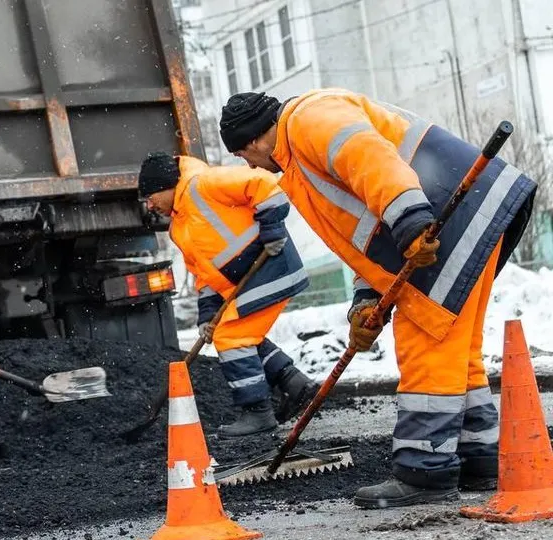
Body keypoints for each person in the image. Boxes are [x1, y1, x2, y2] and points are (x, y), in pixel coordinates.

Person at [218, 88, 536, 508]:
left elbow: (371, 158)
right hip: (463, 217)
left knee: (426, 341)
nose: (250, 166)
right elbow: (364, 235)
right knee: (455, 350)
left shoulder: (307, 120)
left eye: (243, 155)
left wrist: (411, 220)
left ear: (255, 139)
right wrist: (365, 301)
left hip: (444, 220)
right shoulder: (299, 154)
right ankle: (480, 455)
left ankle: (425, 471)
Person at [138, 151, 319, 437]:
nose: (149, 205)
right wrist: (207, 315)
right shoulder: (178, 228)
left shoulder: (203, 184)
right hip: (248, 282)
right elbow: (204, 275)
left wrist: (272, 230)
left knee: (232, 336)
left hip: (272, 266)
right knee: (238, 331)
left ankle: (257, 412)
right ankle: (294, 383)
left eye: (150, 197)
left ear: (166, 186)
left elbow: (264, 183)